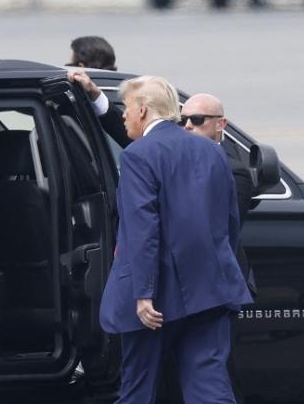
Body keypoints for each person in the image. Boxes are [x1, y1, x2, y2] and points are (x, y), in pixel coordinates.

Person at [99, 76, 252, 404]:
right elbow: (228, 223)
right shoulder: (212, 151)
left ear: (142, 110)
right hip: (210, 288)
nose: (123, 116)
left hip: (155, 298)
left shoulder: (138, 155)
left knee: (139, 388)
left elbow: (142, 229)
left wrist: (144, 293)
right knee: (209, 385)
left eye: (125, 109)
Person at [179, 93, 259, 404]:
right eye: (182, 120)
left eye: (197, 120)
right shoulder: (175, 157)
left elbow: (222, 229)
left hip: (215, 285)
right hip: (185, 285)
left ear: (219, 125)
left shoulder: (233, 169)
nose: (188, 126)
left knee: (217, 369)